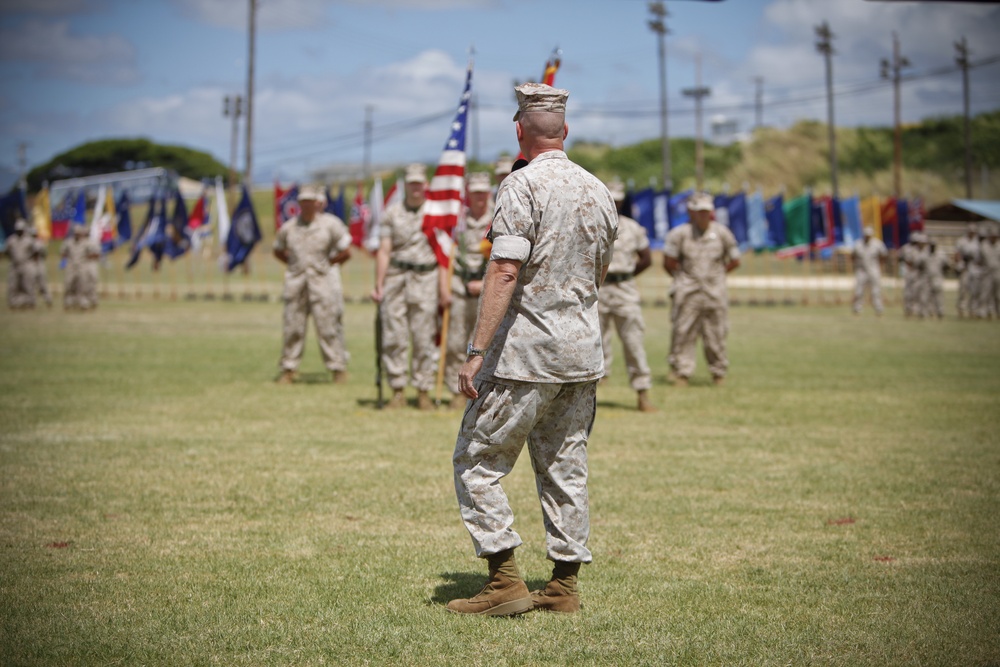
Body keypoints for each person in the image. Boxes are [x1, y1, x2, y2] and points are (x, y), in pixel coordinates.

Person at [447, 83, 618, 616]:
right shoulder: (599, 190)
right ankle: (563, 588)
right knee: (566, 466)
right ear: (565, 131)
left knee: (477, 461)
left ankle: (504, 581)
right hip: (581, 353)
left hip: (526, 354)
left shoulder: (520, 187)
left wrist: (476, 350)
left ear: (519, 131)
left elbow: (503, 268)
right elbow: (599, 273)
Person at [371, 163, 449, 410]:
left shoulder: (436, 214)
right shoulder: (391, 213)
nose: (416, 188)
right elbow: (384, 251)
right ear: (406, 185)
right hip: (396, 278)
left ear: (425, 184)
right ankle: (397, 390)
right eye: (411, 183)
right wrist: (379, 284)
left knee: (423, 336)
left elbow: (444, 255)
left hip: (425, 279)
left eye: (419, 183)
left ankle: (423, 390)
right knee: (394, 336)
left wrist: (443, 289)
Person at [273, 185, 352, 384]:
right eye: (303, 201)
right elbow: (278, 249)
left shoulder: (330, 224)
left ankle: (337, 368)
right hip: (297, 284)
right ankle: (289, 368)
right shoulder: (289, 227)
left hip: (322, 283)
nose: (306, 205)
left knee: (328, 327)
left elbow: (346, 251)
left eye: (310, 201)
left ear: (318, 203)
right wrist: (293, 265)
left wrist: (329, 264)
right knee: (293, 327)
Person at [663, 193, 740, 386]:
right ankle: (682, 372)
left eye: (706, 211)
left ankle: (718, 373)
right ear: (691, 212)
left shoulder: (722, 233)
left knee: (716, 333)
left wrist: (719, 274)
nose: (703, 216)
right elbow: (669, 262)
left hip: (714, 292)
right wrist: (683, 278)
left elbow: (735, 260)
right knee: (683, 332)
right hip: (688, 292)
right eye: (699, 212)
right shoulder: (680, 234)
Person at [599, 178, 655, 412]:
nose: (615, 204)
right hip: (599, 290)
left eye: (618, 200)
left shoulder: (632, 227)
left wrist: (628, 274)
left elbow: (646, 258)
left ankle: (642, 394)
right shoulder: (595, 225)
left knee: (633, 342)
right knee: (594, 343)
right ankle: (588, 396)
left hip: (625, 290)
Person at [443, 171, 493, 409]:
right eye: (475, 193)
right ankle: (455, 391)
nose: (480, 198)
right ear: (468, 195)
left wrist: (483, 284)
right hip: (459, 287)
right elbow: (444, 253)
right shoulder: (456, 220)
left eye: (483, 193)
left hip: (489, 288)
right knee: (455, 341)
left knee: (485, 343)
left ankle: (482, 391)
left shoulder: (498, 216)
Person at [61, 223, 100, 310]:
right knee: (69, 284)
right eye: (76, 233)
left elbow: (96, 254)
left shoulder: (86, 243)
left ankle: (83, 302)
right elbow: (63, 253)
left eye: (79, 233)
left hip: (82, 267)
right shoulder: (69, 242)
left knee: (83, 285)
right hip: (71, 266)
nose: (77, 235)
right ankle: (69, 302)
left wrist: (87, 258)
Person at [851, 225, 888, 316]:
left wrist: (880, 266)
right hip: (861, 270)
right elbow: (852, 256)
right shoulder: (858, 244)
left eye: (869, 235)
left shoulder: (877, 244)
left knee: (876, 290)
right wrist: (856, 265)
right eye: (866, 235)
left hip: (873, 270)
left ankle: (878, 309)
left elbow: (884, 255)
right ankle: (857, 309)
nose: (867, 237)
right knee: (859, 290)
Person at [5, 219, 35, 309]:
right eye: (18, 230)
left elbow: (33, 251)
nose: (19, 231)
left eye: (21, 230)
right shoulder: (11, 240)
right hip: (14, 266)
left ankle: (30, 302)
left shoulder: (29, 240)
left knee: (27, 284)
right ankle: (13, 303)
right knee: (13, 285)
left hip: (25, 265)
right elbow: (7, 252)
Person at [955, 223, 981, 319]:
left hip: (974, 267)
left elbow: (980, 256)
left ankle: (973, 310)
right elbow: (957, 254)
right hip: (964, 267)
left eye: (973, 232)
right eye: (970, 231)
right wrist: (960, 264)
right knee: (963, 289)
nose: (972, 233)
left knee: (974, 290)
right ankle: (961, 309)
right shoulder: (961, 241)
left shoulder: (977, 242)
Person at [29, 227, 53, 308]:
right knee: (30, 284)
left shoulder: (40, 243)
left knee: (42, 284)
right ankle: (32, 302)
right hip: (30, 265)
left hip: (39, 264)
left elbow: (44, 254)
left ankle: (48, 300)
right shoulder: (27, 242)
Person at [980, 224, 1000, 319]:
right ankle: (984, 312)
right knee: (985, 293)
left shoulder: (999, 245)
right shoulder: (984, 245)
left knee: (998, 294)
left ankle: (998, 312)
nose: (994, 237)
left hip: (998, 272)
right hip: (987, 272)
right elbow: (979, 259)